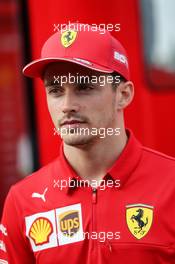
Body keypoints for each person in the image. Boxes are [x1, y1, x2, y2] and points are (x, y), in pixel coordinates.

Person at [0, 23, 175, 264]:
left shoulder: (171, 184)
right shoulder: (22, 200)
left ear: (123, 95)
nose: (67, 105)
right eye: (55, 90)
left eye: (84, 87)